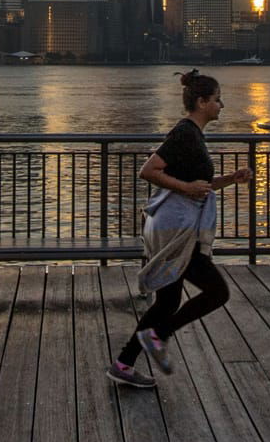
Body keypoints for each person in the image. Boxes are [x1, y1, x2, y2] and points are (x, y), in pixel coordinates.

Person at [106, 71, 253, 388]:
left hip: (177, 225)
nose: (221, 105)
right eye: (216, 99)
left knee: (167, 302)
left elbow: (198, 186)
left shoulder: (194, 135)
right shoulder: (186, 133)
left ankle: (123, 364)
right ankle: (156, 336)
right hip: (177, 230)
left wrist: (231, 179)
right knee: (217, 292)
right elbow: (150, 170)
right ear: (201, 102)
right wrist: (186, 187)